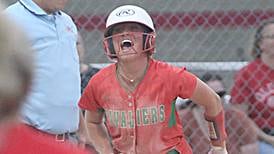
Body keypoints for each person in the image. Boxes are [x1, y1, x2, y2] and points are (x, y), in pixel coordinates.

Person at [79, 5, 228, 154]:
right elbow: (92, 122)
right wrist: (106, 151)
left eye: (133, 29)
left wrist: (218, 146)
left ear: (148, 38)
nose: (125, 35)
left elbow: (212, 101)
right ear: (110, 43)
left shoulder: (170, 75)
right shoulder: (99, 82)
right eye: (118, 31)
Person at [0, 5, 89, 154]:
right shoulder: (12, 18)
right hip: (26, 141)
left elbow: (66, 81)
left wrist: (82, 128)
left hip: (67, 140)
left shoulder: (66, 21)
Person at [177, 73, 259, 154]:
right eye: (210, 94)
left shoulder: (238, 117)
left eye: (220, 94)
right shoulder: (183, 120)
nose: (216, 98)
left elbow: (251, 149)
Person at [230, 20, 274, 153]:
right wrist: (268, 138)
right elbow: (240, 117)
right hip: (261, 137)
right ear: (260, 44)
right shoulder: (248, 73)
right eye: (272, 37)